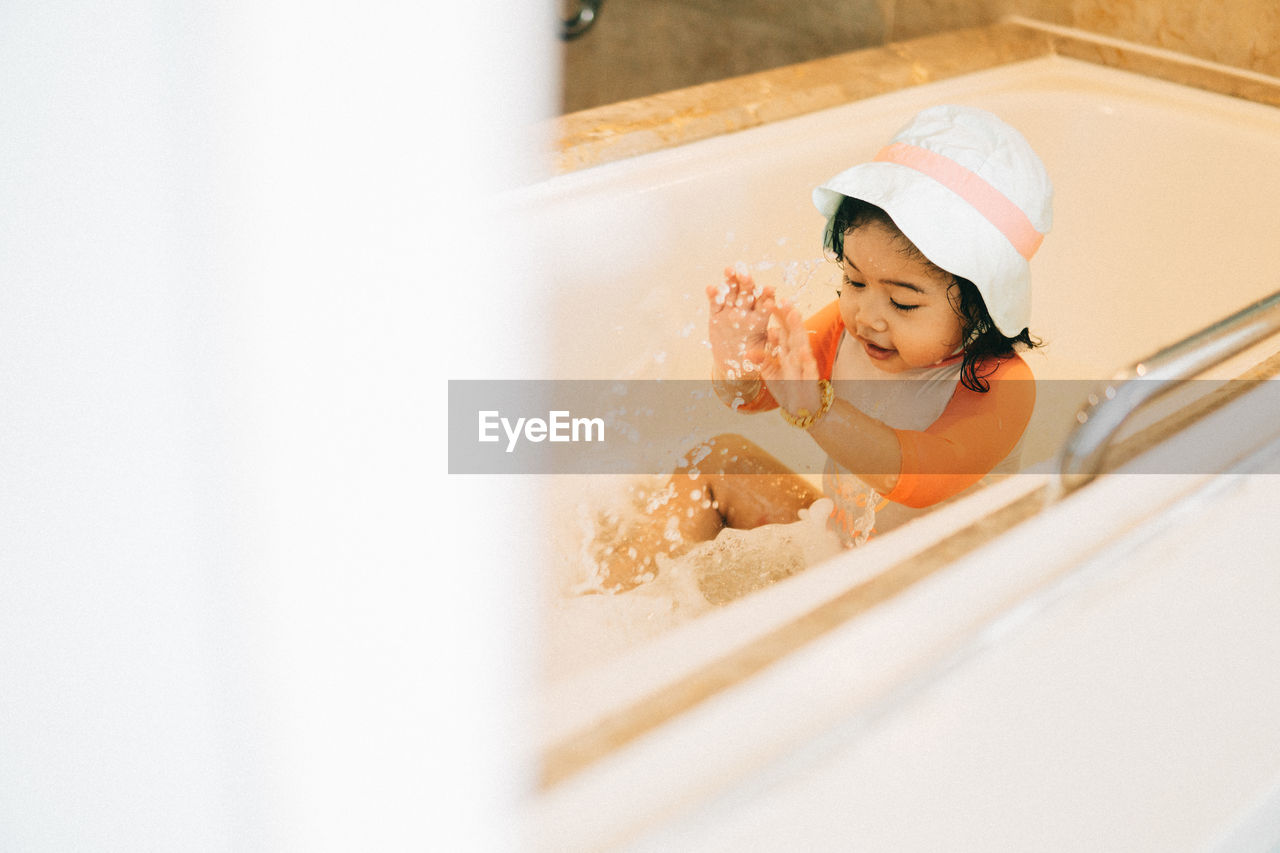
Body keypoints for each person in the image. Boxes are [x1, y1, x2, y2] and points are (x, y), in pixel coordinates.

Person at [593, 104, 1053, 594]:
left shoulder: (999, 383)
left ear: (982, 307)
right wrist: (742, 362)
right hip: (845, 550)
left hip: (931, 595)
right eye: (853, 280)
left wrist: (820, 411)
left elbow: (921, 479)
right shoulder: (847, 328)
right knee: (719, 458)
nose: (867, 316)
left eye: (902, 302)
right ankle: (600, 610)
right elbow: (753, 397)